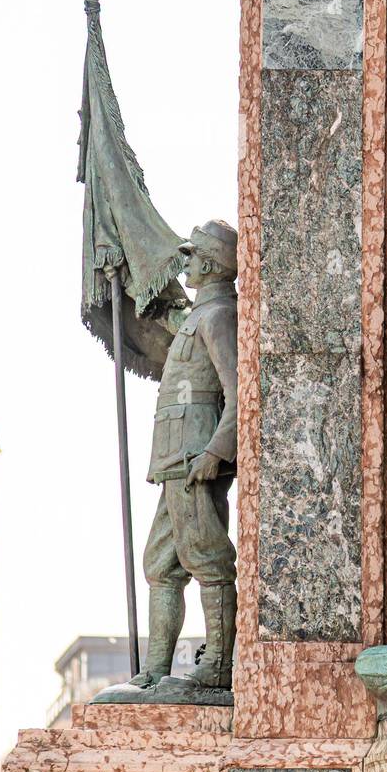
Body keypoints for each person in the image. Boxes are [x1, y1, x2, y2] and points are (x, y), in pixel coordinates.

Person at [132, 220, 240, 692]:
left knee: (208, 559)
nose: (187, 263)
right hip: (175, 457)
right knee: (161, 565)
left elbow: (240, 393)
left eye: (193, 256)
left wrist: (217, 451)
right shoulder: (198, 315)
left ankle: (217, 664)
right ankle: (155, 669)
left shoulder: (219, 316)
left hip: (196, 455)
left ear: (212, 264)